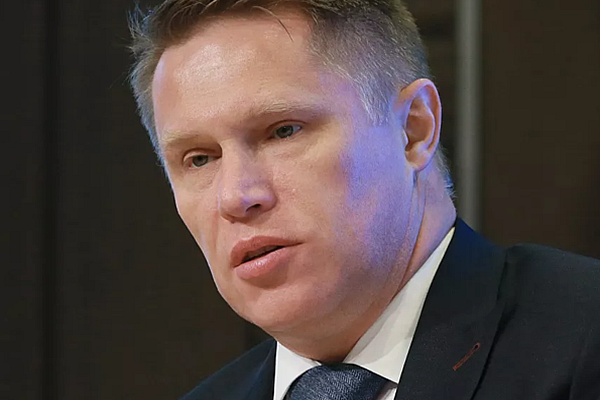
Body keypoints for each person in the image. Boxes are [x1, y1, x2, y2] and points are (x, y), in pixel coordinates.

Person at [128, 0, 600, 399]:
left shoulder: (582, 336)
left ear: (414, 129)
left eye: (283, 131)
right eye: (199, 159)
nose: (235, 196)